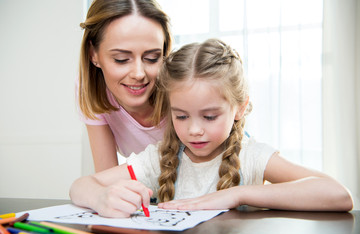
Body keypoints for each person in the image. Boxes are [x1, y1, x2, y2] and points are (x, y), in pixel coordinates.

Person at [70, 39, 353, 218]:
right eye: (181, 117)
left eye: (209, 117)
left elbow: (338, 195)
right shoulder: (160, 158)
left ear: (240, 108)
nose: (194, 130)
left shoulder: (252, 157)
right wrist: (101, 197)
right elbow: (81, 186)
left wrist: (237, 194)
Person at [77, 0, 172, 172]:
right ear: (93, 54)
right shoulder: (91, 89)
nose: (138, 73)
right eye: (121, 59)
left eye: (152, 58)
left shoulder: (181, 86)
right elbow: (106, 177)